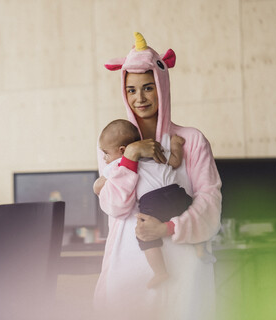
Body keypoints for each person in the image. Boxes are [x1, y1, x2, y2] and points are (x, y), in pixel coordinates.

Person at [94, 32, 222, 320]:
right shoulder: (112, 145)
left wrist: (168, 228)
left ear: (162, 87)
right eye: (131, 90)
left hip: (184, 266)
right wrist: (131, 156)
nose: (140, 98)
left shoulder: (191, 140)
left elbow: (210, 203)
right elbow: (115, 207)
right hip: (129, 268)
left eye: (148, 87)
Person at [94, 119, 199, 289]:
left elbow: (99, 186)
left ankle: (160, 272)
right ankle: (200, 245)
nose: (104, 158)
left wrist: (98, 184)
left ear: (122, 150)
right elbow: (174, 162)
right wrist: (175, 146)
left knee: (145, 235)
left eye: (105, 153)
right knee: (192, 215)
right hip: (177, 193)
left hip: (153, 200)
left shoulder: (118, 164)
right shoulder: (152, 154)